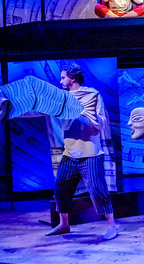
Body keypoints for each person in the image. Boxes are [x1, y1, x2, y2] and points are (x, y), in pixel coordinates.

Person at [47, 63, 118, 240]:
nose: (61, 81)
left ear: (72, 78)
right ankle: (64, 224)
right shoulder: (61, 98)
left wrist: (88, 117)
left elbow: (102, 123)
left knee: (98, 190)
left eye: (63, 77)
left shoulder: (92, 95)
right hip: (70, 153)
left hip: (90, 154)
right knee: (60, 187)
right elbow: (43, 109)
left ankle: (112, 226)